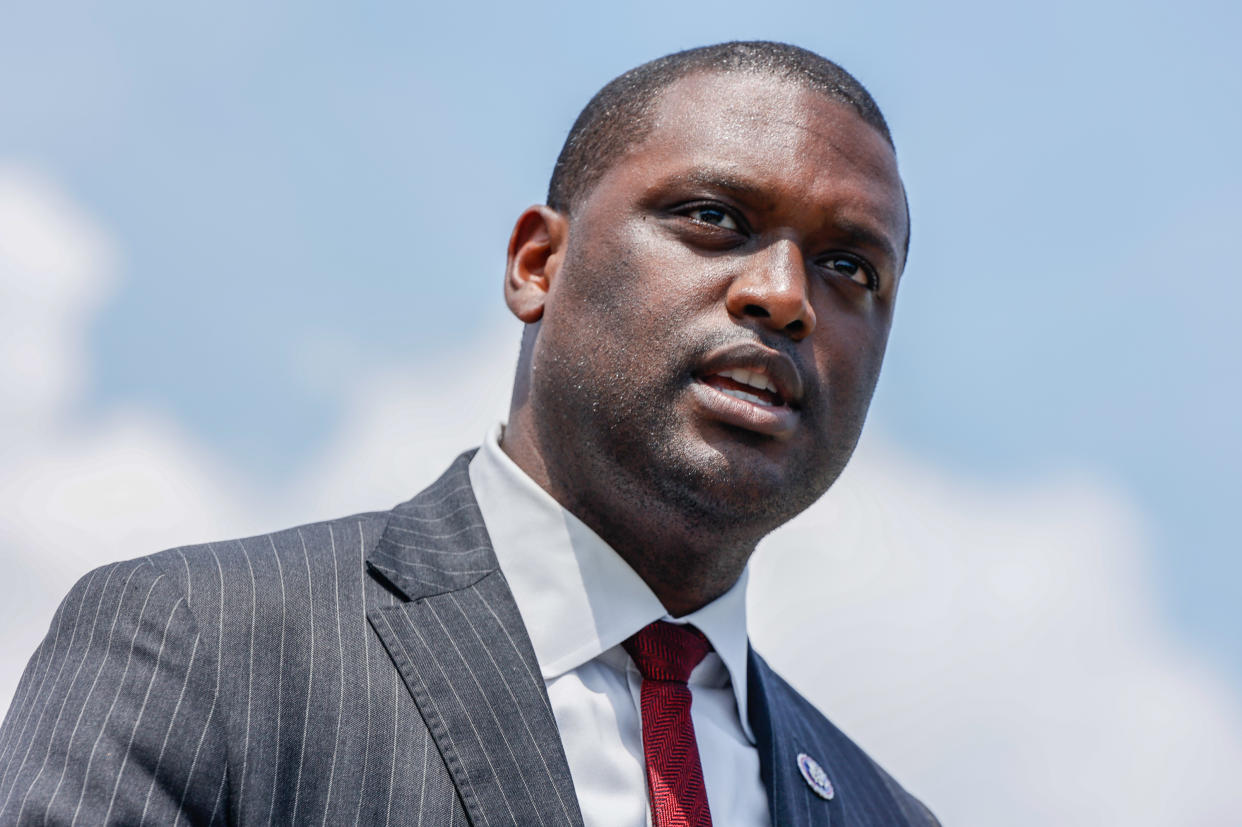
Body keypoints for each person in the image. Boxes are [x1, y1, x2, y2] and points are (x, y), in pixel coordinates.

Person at [0, 41, 937, 826]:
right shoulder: (201, 643)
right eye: (714, 217)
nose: (783, 295)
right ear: (539, 262)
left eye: (850, 266)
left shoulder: (883, 811)